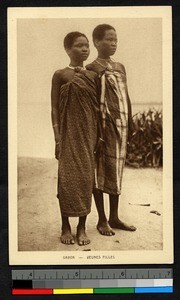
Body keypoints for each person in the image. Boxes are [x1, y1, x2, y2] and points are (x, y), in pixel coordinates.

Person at [86, 24, 137, 236]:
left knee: (116, 169)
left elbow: (126, 95)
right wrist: (96, 131)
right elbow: (92, 103)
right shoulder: (91, 69)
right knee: (99, 171)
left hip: (121, 124)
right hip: (102, 126)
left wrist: (132, 122)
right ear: (97, 42)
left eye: (116, 39)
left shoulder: (120, 67)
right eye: (109, 39)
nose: (114, 43)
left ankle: (114, 216)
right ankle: (102, 219)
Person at [51, 32, 99, 245]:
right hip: (68, 135)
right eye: (80, 45)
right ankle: (65, 226)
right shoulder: (60, 74)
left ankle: (81, 227)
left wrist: (98, 137)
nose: (85, 49)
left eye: (87, 45)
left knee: (86, 179)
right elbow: (54, 108)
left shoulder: (93, 76)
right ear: (67, 49)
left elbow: (97, 109)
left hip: (88, 134)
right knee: (66, 179)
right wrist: (57, 138)